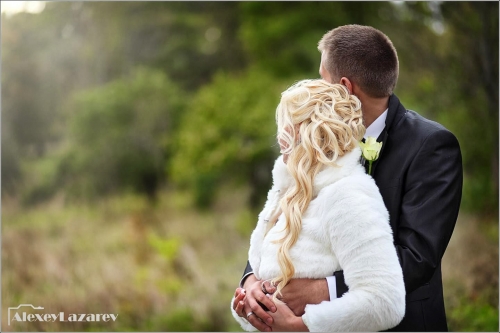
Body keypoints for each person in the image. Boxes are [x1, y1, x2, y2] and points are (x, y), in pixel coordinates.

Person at [232, 25, 463, 332]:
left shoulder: (432, 146)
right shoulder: (311, 145)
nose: (316, 85)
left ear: (344, 86)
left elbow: (417, 257)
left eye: (321, 76)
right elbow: (281, 217)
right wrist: (253, 282)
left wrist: (321, 291)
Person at [231, 79, 406, 331]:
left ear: (312, 132)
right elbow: (264, 281)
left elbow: (385, 300)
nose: (280, 135)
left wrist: (300, 326)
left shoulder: (347, 194)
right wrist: (251, 304)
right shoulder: (286, 191)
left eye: (289, 123)